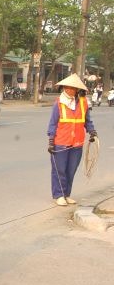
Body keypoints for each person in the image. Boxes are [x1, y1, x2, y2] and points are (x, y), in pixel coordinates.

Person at [47, 73, 97, 206]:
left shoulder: (83, 103)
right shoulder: (59, 103)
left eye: (72, 88)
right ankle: (59, 195)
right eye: (66, 87)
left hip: (77, 143)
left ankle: (67, 194)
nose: (69, 90)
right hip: (61, 142)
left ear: (77, 90)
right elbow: (53, 123)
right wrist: (51, 140)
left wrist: (92, 131)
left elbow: (87, 121)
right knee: (60, 170)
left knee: (71, 170)